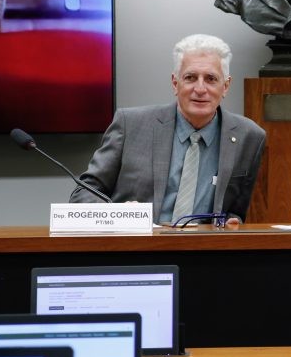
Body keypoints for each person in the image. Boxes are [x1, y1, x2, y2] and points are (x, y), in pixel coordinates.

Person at [70, 34, 266, 225]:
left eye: (211, 79)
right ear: (175, 83)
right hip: (138, 244)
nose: (200, 89)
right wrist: (119, 215)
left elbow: (236, 211)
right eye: (190, 77)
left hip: (205, 245)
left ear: (226, 86)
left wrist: (232, 221)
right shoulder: (130, 125)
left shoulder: (248, 137)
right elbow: (83, 194)